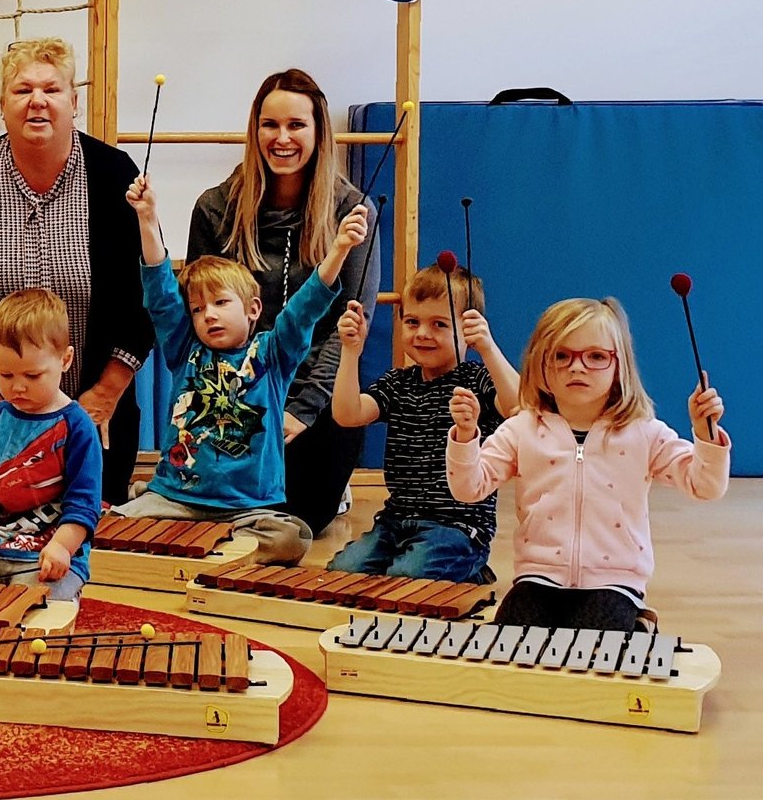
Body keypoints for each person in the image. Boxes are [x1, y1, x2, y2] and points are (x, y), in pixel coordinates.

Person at [0, 38, 152, 503]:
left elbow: (145, 296)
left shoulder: (113, 173)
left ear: (74, 102)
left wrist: (104, 397)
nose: (37, 102)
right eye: (22, 90)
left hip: (97, 420)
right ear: (2, 105)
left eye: (52, 89)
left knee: (90, 553)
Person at [119, 175, 371, 565]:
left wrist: (339, 248)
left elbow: (305, 309)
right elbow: (160, 293)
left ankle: (209, 544)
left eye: (221, 302)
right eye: (199, 309)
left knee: (292, 537)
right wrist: (147, 219)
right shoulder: (184, 348)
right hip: (175, 499)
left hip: (248, 509)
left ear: (253, 310)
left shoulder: (272, 353)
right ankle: (209, 544)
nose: (209, 315)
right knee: (112, 527)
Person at [448, 298, 730, 630]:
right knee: (512, 640)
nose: (577, 367)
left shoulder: (643, 433)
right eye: (562, 356)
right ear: (541, 365)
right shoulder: (521, 429)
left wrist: (705, 435)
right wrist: (466, 438)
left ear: (619, 366)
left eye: (596, 356)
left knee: (595, 641)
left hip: (614, 582)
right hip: (538, 577)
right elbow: (468, 489)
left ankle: (638, 626)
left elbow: (706, 486)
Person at [185, 68, 379, 533]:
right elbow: (197, 313)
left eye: (296, 125)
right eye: (270, 125)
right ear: (255, 131)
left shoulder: (351, 211)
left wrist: (302, 410)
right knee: (226, 516)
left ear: (318, 132)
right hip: (236, 391)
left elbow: (349, 326)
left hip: (313, 399)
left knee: (297, 519)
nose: (282, 138)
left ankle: (334, 486)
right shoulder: (215, 208)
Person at [327, 265, 520, 581]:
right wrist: (351, 352)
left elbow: (518, 408)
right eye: (412, 321)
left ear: (468, 329)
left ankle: (472, 570)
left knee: (406, 578)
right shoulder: (398, 382)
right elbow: (347, 414)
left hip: (457, 526)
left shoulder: (478, 379)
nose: (422, 334)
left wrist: (487, 347)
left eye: (439, 324)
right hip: (396, 520)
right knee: (342, 574)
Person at [0, 289, 102, 602]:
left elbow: (84, 503)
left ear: (65, 360)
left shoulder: (77, 427)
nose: (18, 386)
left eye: (32, 375)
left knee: (41, 606)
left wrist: (61, 546)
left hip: (50, 554)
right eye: (5, 374)